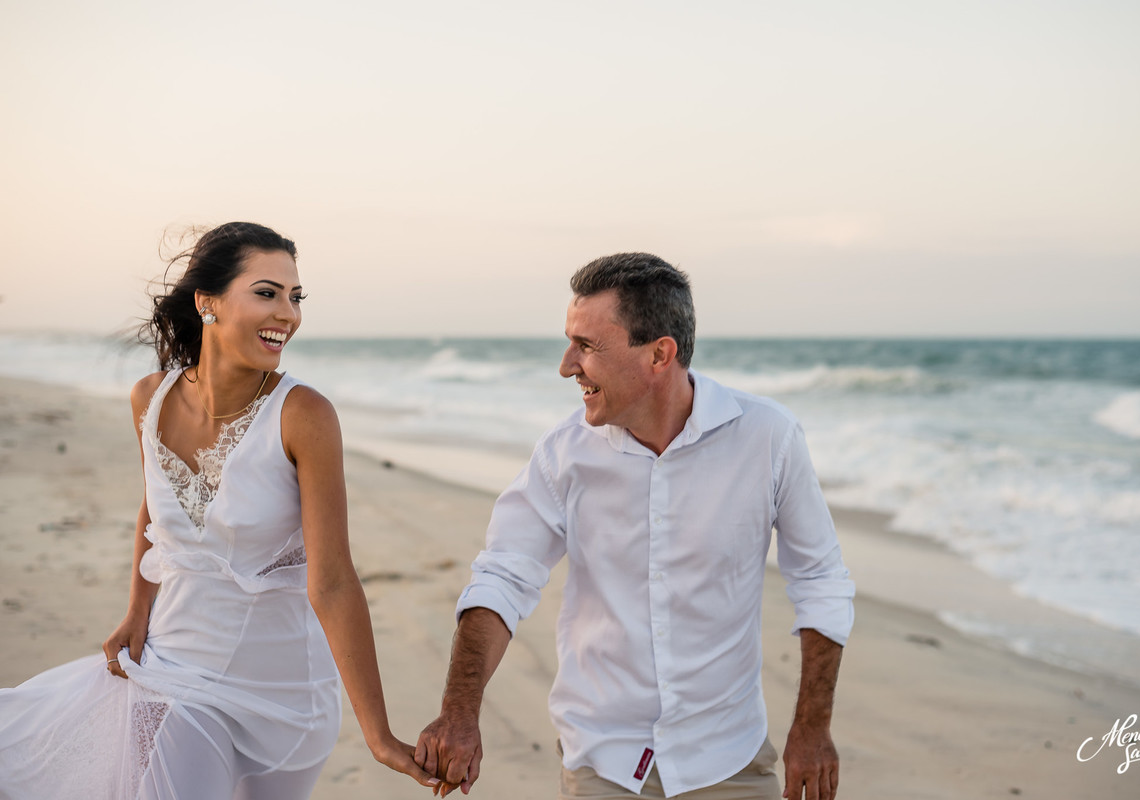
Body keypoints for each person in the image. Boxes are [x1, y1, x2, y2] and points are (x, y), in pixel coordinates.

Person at [0, 222, 439, 798]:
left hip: (284, 693)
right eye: (267, 292)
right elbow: (156, 511)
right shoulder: (149, 398)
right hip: (174, 669)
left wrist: (377, 734)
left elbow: (331, 580)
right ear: (207, 302)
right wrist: (137, 610)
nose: (289, 313)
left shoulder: (303, 414)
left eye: (295, 296)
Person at [416, 253, 855, 799]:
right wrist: (459, 711)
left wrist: (812, 728)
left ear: (659, 355)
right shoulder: (563, 454)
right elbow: (504, 576)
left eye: (588, 346)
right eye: (570, 342)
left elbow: (820, 581)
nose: (567, 364)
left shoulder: (768, 438)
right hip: (603, 760)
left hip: (729, 759)